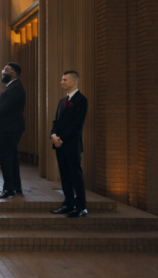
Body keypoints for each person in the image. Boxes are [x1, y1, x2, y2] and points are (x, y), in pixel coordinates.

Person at [50, 71, 89, 218]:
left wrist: (61, 139)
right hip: (59, 144)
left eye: (65, 79)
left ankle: (81, 207)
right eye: (62, 79)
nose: (62, 82)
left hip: (71, 144)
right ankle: (68, 204)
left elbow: (76, 125)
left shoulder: (81, 100)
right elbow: (56, 121)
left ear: (74, 81)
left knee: (75, 175)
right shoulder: (62, 101)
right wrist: (53, 135)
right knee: (65, 176)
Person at [0, 62, 25, 199]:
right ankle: (16, 186)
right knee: (12, 157)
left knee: (4, 157)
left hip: (10, 128)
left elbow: (6, 107)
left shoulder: (15, 88)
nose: (3, 71)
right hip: (7, 128)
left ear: (13, 74)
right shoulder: (10, 87)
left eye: (5, 70)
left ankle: (9, 189)